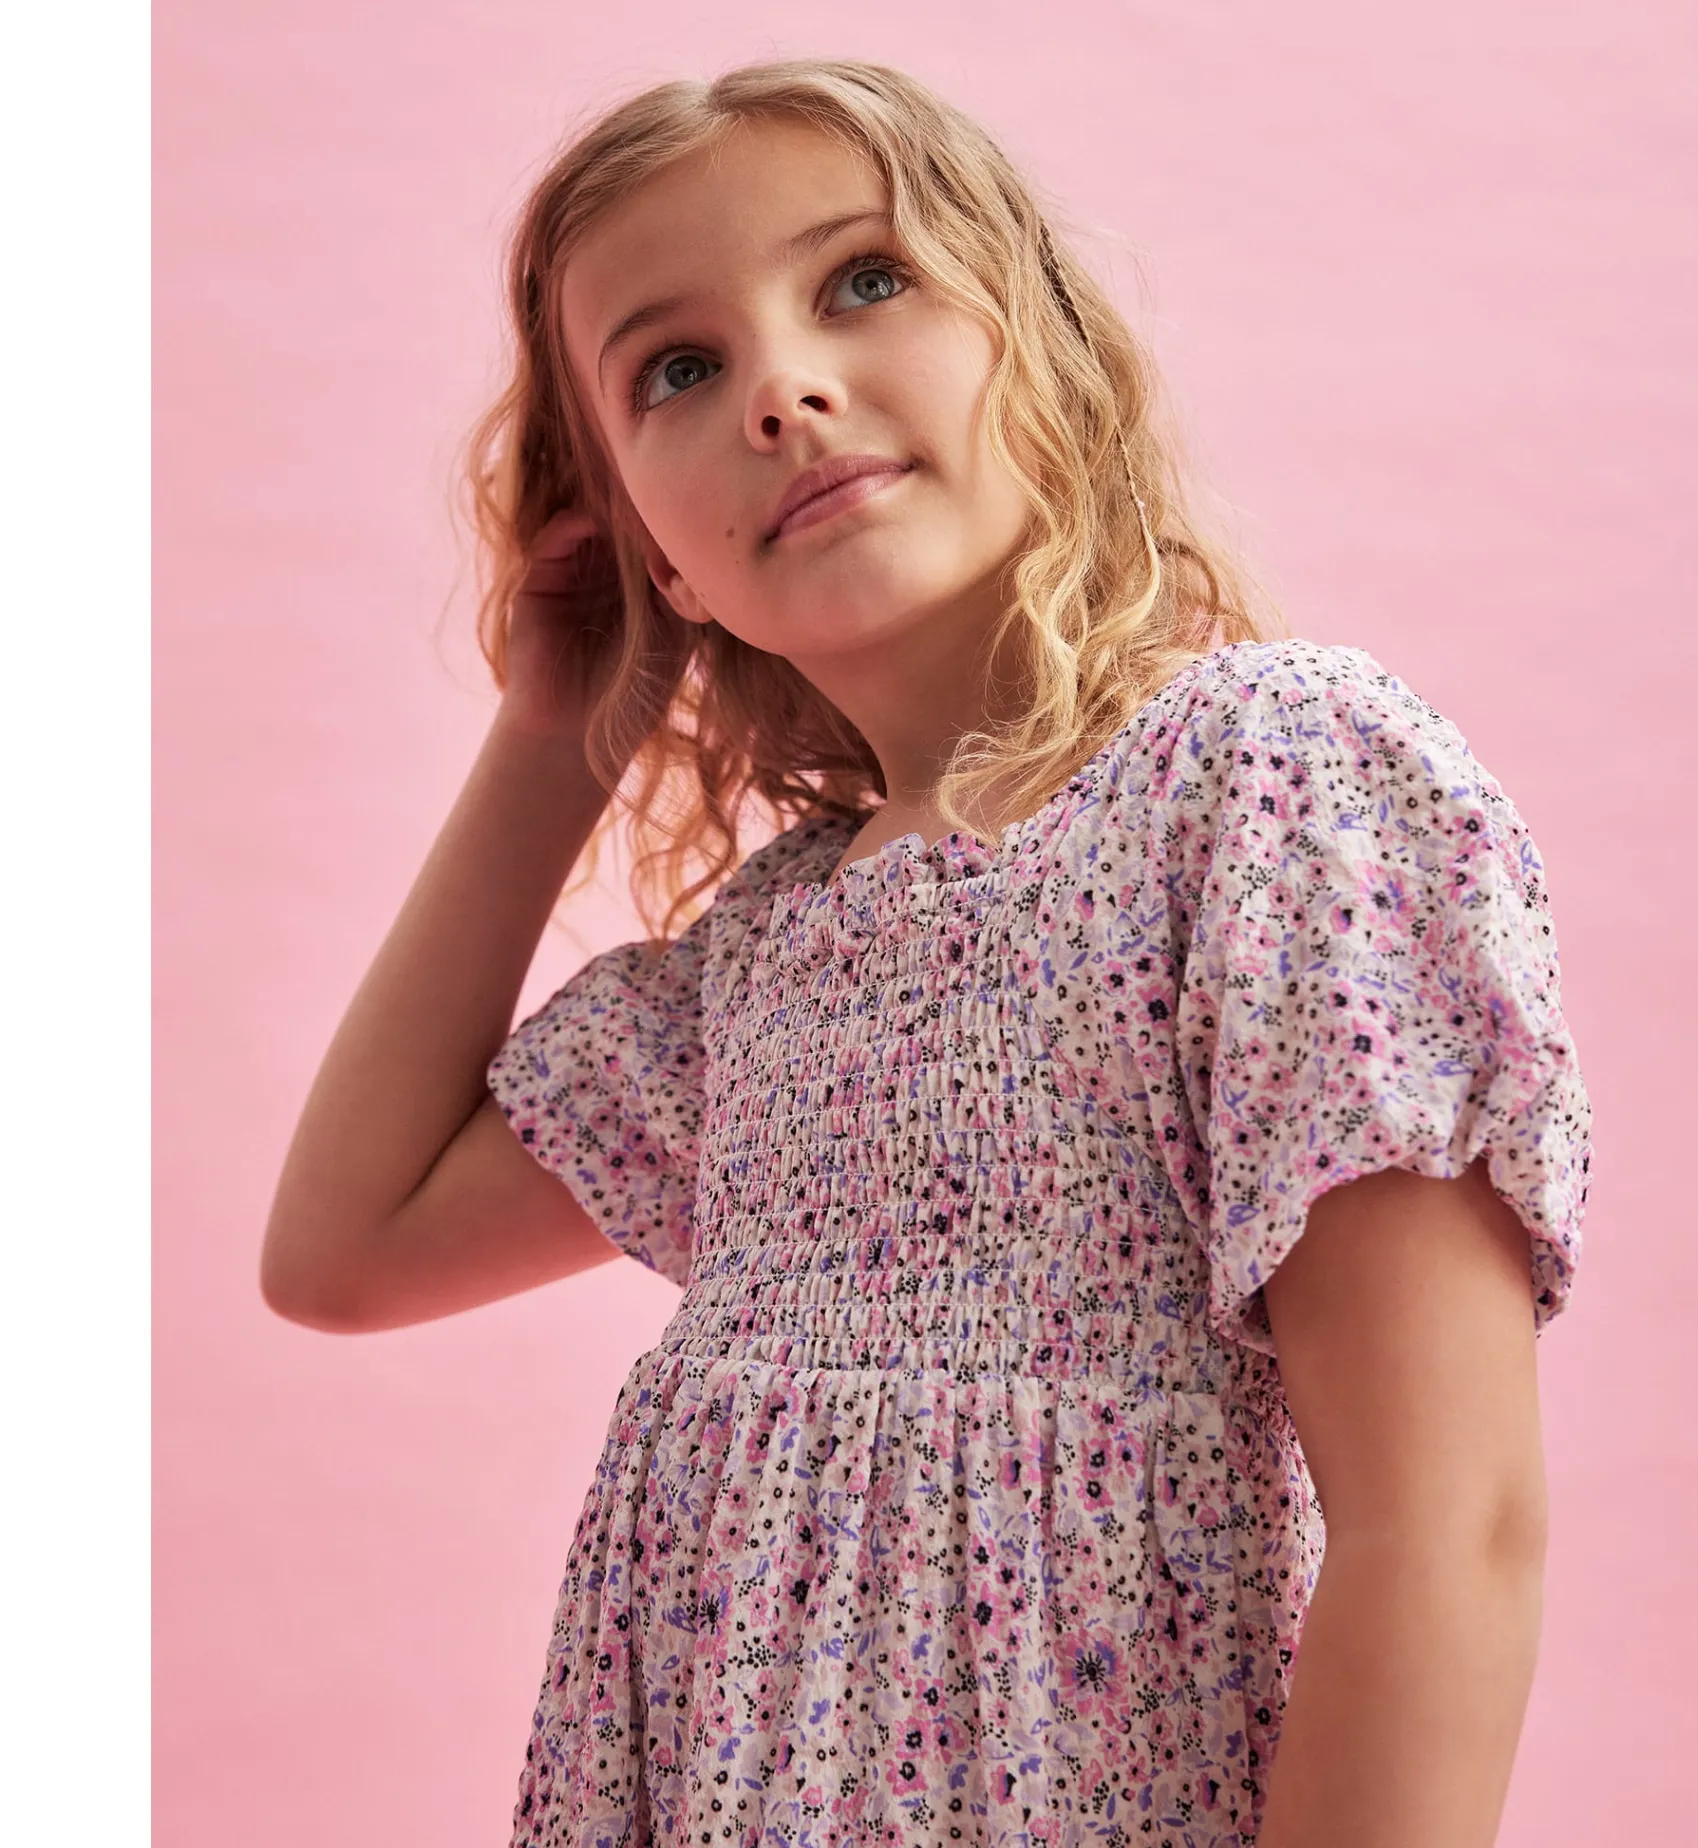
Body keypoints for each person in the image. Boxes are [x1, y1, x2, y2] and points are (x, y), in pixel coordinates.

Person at [260, 57, 1595, 1848]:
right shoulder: (767, 961)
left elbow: (1450, 1525)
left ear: (1042, 342)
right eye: (676, 370)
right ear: (660, 561)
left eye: (863, 279)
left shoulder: (1270, 790)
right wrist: (556, 732)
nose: (781, 388)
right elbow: (343, 1247)